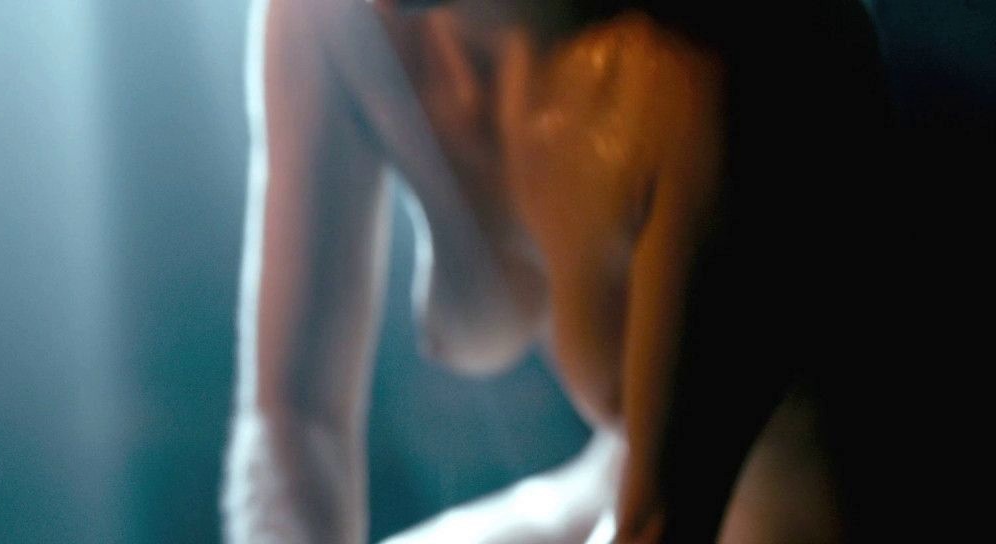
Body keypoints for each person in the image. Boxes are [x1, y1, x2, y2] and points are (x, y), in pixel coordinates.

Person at [222, 0, 889, 542]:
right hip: (605, 494)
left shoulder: (724, 73)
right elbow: (294, 417)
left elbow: (658, 527)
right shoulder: (329, 18)